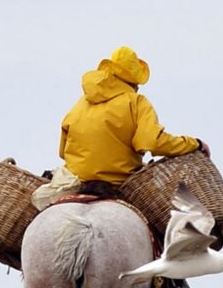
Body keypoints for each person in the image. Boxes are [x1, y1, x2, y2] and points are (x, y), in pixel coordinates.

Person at [32, 46, 204, 212]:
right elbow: (153, 142)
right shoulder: (137, 102)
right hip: (120, 183)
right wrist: (194, 144)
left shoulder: (82, 103)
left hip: (75, 180)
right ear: (134, 81)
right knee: (165, 226)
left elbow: (63, 151)